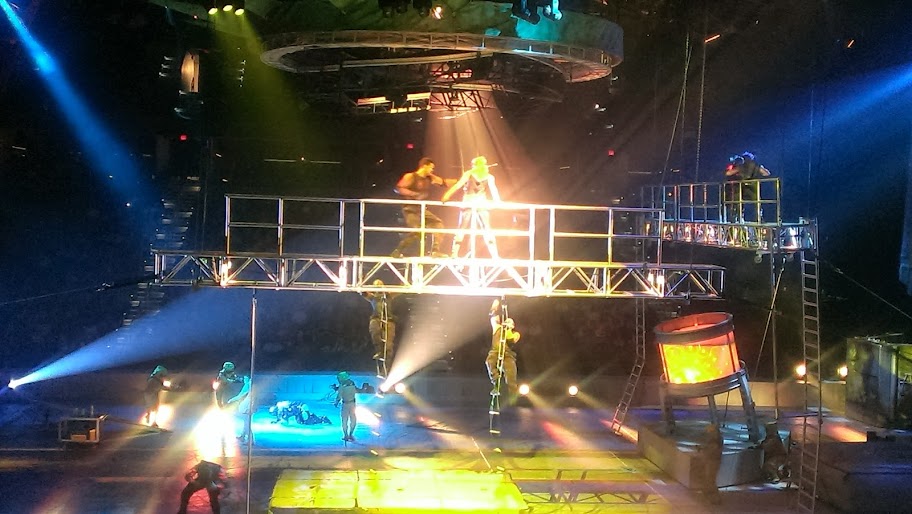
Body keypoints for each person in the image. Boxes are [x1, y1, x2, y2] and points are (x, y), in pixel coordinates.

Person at [390, 157, 456, 258]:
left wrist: (462, 180)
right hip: (410, 209)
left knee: (438, 224)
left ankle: (435, 251)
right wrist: (414, 194)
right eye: (431, 168)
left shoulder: (430, 178)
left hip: (421, 209)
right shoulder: (411, 176)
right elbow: (398, 188)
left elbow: (443, 182)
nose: (432, 170)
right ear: (424, 166)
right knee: (417, 230)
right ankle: (398, 251)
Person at [442, 155, 501, 259]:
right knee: (462, 227)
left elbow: (494, 189)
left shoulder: (489, 177)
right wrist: (447, 195)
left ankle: (495, 255)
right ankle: (454, 253)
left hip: (481, 203)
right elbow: (458, 185)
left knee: (487, 228)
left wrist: (498, 201)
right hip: (468, 202)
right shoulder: (469, 174)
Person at [485, 299, 521, 397]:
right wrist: (495, 305)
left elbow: (511, 339)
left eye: (510, 323)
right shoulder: (497, 327)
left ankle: (513, 394)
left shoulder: (515, 334)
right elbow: (493, 316)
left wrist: (507, 329)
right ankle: (496, 383)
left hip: (508, 355)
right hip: (495, 352)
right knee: (489, 362)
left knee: (511, 375)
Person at [724, 151, 771, 223]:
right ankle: (759, 218)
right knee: (757, 203)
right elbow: (767, 173)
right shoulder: (756, 166)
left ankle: (737, 218)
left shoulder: (741, 166)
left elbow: (728, 173)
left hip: (742, 187)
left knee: (738, 202)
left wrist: (734, 170)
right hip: (753, 187)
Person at [362, 279, 399, 364]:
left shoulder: (389, 295)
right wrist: (362, 281)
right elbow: (363, 292)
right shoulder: (372, 297)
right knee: (375, 334)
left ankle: (388, 360)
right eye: (376, 285)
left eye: (379, 284)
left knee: (388, 343)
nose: (378, 286)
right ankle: (380, 352)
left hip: (388, 320)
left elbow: (400, 291)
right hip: (376, 319)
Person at [334, 371, 359, 442]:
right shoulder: (352, 383)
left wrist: (336, 402)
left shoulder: (342, 385)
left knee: (344, 420)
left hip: (345, 404)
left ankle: (346, 435)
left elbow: (339, 396)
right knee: (353, 419)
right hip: (353, 404)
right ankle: (351, 434)